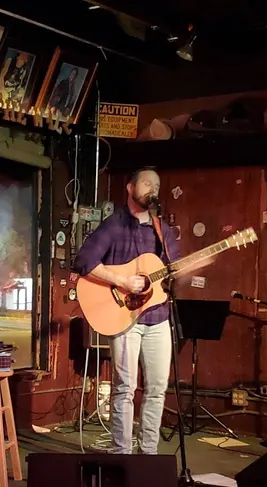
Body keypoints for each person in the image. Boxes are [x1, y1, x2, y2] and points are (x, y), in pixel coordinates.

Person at [73, 168, 180, 454]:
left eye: (157, 184)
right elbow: (83, 261)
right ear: (131, 188)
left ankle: (149, 453)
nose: (153, 188)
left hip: (158, 318)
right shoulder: (114, 226)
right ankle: (121, 452)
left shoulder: (162, 230)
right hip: (123, 318)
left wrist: (189, 268)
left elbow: (172, 270)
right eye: (147, 182)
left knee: (157, 388)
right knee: (125, 388)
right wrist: (121, 280)